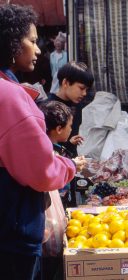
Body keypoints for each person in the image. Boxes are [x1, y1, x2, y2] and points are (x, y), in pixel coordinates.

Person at [0, 4, 76, 280]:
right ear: (10, 43)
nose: (39, 49)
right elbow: (41, 172)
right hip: (11, 234)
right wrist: (69, 166)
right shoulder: (9, 97)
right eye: (32, 41)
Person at [38, 100, 86, 280]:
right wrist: (73, 165)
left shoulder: (47, 147)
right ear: (58, 129)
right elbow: (53, 176)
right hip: (44, 227)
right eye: (70, 126)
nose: (71, 129)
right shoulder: (46, 152)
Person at [47, 61, 94, 157]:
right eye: (81, 88)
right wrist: (68, 144)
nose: (84, 93)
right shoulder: (48, 107)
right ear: (65, 83)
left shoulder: (77, 105)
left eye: (86, 90)